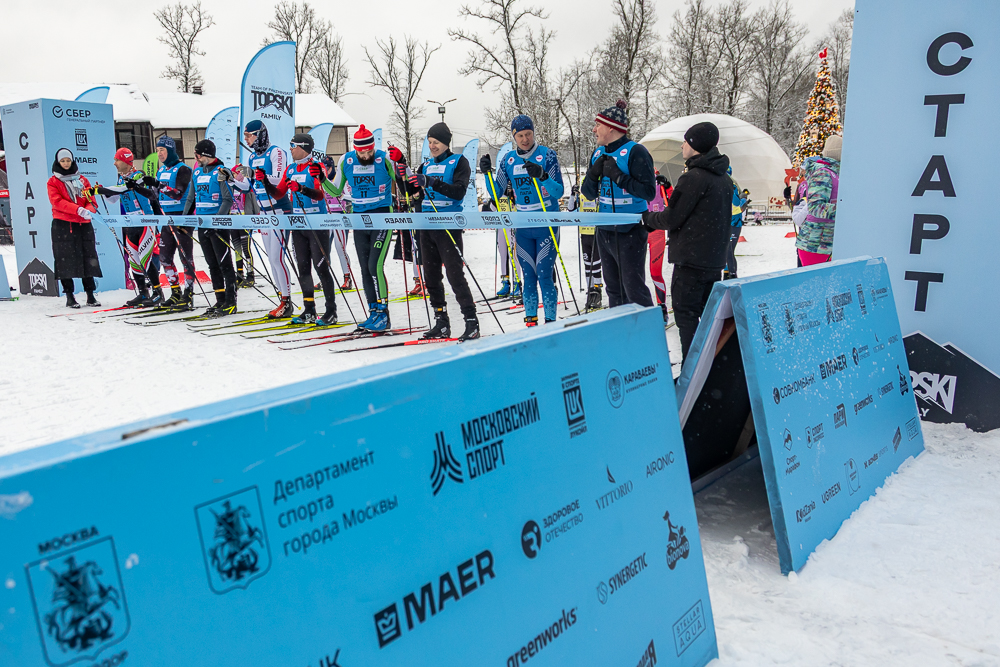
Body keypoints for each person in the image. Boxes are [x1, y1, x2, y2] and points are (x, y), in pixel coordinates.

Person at [642, 121, 733, 361]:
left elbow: (673, 217)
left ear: (695, 145)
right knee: (709, 316)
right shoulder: (723, 178)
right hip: (713, 260)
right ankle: (711, 368)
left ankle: (692, 371)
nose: (682, 145)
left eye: (686, 141)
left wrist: (648, 219)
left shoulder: (694, 178)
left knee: (686, 316)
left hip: (691, 262)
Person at [482, 114, 564, 326]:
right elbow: (496, 192)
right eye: (520, 135)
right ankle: (531, 323)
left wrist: (543, 176)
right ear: (514, 137)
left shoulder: (547, 154)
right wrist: (486, 174)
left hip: (546, 224)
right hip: (524, 227)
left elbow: (558, 192)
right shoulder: (508, 160)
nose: (525, 139)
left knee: (544, 275)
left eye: (528, 134)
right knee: (528, 277)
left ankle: (551, 324)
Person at [321, 125, 403, 332]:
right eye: (362, 152)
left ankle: (383, 314)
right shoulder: (346, 160)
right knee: (365, 268)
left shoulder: (384, 158)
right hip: (359, 218)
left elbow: (404, 183)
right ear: (355, 149)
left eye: (369, 151)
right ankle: (373, 311)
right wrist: (322, 179)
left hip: (382, 216)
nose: (366, 155)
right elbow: (336, 190)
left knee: (375, 265)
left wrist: (401, 162)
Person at [580, 100, 656, 309]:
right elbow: (588, 194)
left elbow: (649, 192)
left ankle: (646, 325)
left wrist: (618, 176)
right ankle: (621, 326)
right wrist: (593, 175)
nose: (594, 129)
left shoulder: (635, 151)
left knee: (633, 288)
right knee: (613, 289)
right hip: (604, 230)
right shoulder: (598, 153)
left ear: (611, 128)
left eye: (598, 125)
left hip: (629, 230)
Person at [409, 122, 480, 340]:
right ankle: (441, 321)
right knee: (431, 277)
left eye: (436, 142)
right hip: (427, 226)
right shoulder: (425, 165)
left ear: (446, 143)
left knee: (454, 275)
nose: (432, 146)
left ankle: (471, 321)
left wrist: (432, 182)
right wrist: (403, 173)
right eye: (430, 142)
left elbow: (458, 192)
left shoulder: (459, 162)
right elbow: (412, 192)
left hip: (448, 226)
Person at [261, 133, 338, 326]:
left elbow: (320, 195)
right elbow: (278, 194)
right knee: (303, 269)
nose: (290, 149)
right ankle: (309, 310)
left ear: (303, 147)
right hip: (298, 224)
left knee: (321, 268)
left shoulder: (316, 167)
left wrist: (302, 189)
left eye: (293, 145)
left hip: (317, 224)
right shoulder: (291, 168)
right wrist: (265, 182)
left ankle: (331, 311)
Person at [232, 120, 294, 319]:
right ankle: (282, 299)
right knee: (272, 259)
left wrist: (254, 174)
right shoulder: (252, 157)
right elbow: (248, 187)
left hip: (279, 210)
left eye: (249, 135)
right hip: (264, 213)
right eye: (245, 136)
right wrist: (231, 180)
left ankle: (287, 301)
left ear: (260, 135)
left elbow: (279, 179)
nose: (246, 139)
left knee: (277, 258)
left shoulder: (276, 152)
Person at [96, 147, 164, 307]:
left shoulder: (138, 175)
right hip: (131, 223)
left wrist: (101, 190)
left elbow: (124, 189)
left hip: (145, 221)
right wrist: (104, 192)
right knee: (134, 259)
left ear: (126, 161)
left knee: (145, 259)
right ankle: (143, 293)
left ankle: (158, 293)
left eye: (117, 160)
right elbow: (114, 199)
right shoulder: (121, 178)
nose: (114, 163)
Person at [183, 140, 237, 317]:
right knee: (212, 264)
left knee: (225, 264)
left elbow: (227, 199)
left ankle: (231, 301)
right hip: (202, 225)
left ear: (205, 154)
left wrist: (217, 222)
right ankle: (220, 300)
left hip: (217, 225)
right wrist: (184, 220)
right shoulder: (197, 172)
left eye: (197, 154)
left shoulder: (221, 171)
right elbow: (191, 198)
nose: (196, 158)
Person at [48, 148, 102, 307]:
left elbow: (91, 200)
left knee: (88, 259)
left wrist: (89, 210)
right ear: (58, 162)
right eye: (62, 161)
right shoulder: (53, 181)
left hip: (83, 225)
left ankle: (90, 295)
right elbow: (57, 202)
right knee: (65, 261)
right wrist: (77, 209)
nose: (66, 163)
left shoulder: (83, 180)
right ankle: (70, 296)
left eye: (68, 160)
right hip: (63, 225)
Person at [149, 136, 196, 310]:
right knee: (165, 257)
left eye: (162, 150)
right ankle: (175, 293)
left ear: (170, 151)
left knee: (186, 257)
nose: (159, 154)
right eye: (157, 150)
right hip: (166, 218)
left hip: (182, 218)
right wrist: (139, 187)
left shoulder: (183, 169)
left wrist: (158, 185)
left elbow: (177, 193)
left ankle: (188, 294)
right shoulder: (161, 170)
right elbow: (154, 195)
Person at [795, 135, 841, 266]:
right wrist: (844, 208)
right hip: (816, 246)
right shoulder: (823, 173)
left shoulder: (835, 173)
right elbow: (815, 207)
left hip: (826, 244)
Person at [319, 155, 354, 291]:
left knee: (340, 248)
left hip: (339, 216)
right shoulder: (321, 180)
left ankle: (347, 278)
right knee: (323, 249)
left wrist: (342, 196)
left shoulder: (340, 180)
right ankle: (324, 279)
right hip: (326, 217)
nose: (325, 171)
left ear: (332, 167)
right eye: (323, 168)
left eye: (327, 168)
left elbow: (352, 197)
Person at [647, 172, 672, 314]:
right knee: (633, 273)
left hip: (657, 231)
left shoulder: (658, 182)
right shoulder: (633, 179)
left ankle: (662, 306)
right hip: (638, 230)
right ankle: (636, 306)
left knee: (655, 272)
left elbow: (674, 201)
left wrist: (667, 185)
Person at [724, 168, 748, 280]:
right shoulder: (728, 184)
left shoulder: (730, 184)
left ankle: (731, 275)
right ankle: (728, 274)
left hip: (732, 221)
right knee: (727, 251)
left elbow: (736, 203)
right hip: (729, 220)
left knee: (728, 251)